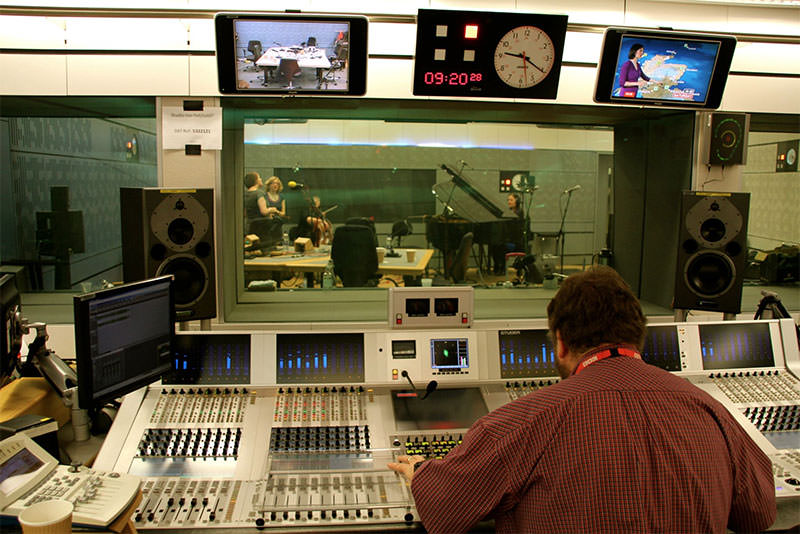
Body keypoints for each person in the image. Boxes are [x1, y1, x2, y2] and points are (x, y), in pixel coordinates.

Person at [388, 266, 776, 534]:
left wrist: (422, 472)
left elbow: (445, 511)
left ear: (560, 341)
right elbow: (759, 514)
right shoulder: (712, 412)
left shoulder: (517, 423)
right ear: (637, 336)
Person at [491, 193, 525, 275]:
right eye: (508, 200)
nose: (509, 202)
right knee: (494, 246)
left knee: (500, 248)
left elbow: (515, 231)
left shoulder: (519, 213)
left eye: (511, 200)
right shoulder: (509, 213)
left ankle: (501, 268)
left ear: (517, 201)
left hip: (515, 242)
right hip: (509, 240)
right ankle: (498, 267)